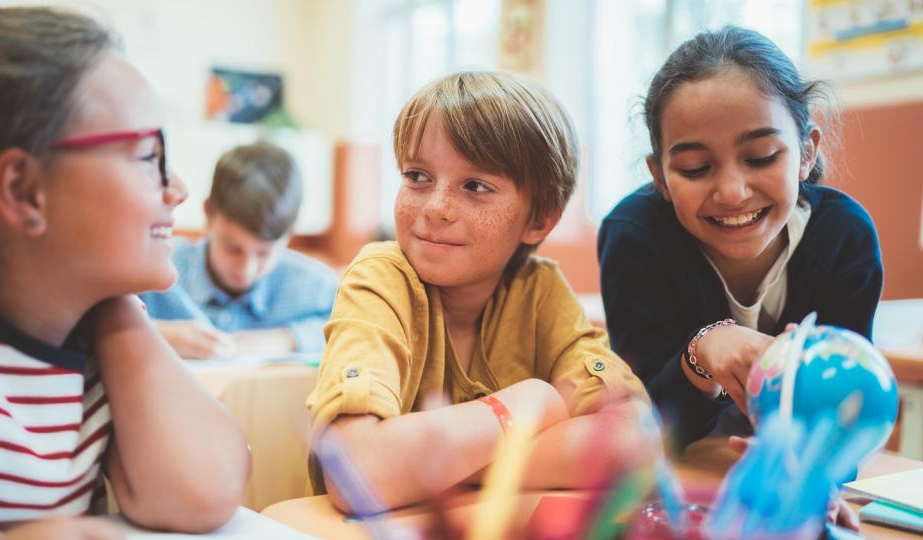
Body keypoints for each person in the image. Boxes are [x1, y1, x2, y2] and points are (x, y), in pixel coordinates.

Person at [0, 7, 250, 537]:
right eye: (149, 157)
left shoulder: (96, 341)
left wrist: (120, 311)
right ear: (23, 191)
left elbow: (204, 490)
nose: (178, 188)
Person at [306, 71, 650, 512]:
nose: (435, 208)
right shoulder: (380, 278)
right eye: (417, 176)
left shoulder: (538, 289)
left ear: (540, 220)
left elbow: (635, 443)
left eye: (475, 186)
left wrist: (421, 468)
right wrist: (530, 404)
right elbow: (356, 472)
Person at [597, 26, 883, 451]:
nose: (732, 192)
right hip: (676, 481)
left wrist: (808, 464)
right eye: (695, 167)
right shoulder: (635, 239)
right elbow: (642, 423)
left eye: (761, 157)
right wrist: (700, 354)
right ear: (659, 176)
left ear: (806, 153)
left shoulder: (844, 238)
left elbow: (849, 411)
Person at [140, 142, 338, 359]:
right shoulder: (155, 269)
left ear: (288, 236)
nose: (246, 269)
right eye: (233, 248)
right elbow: (99, 322)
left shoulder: (315, 287)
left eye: (263, 253)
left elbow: (353, 328)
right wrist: (158, 335)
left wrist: (288, 338)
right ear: (208, 215)